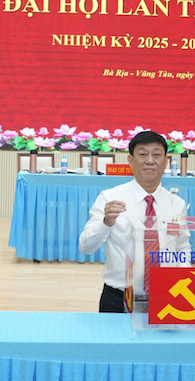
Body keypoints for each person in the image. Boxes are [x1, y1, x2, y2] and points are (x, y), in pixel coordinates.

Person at [80, 131, 189, 313]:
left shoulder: (176, 204)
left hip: (166, 297)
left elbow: (182, 247)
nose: (150, 160)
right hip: (118, 297)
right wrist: (106, 223)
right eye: (143, 154)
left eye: (156, 154)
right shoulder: (110, 198)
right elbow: (85, 247)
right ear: (131, 160)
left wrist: (183, 278)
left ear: (166, 161)